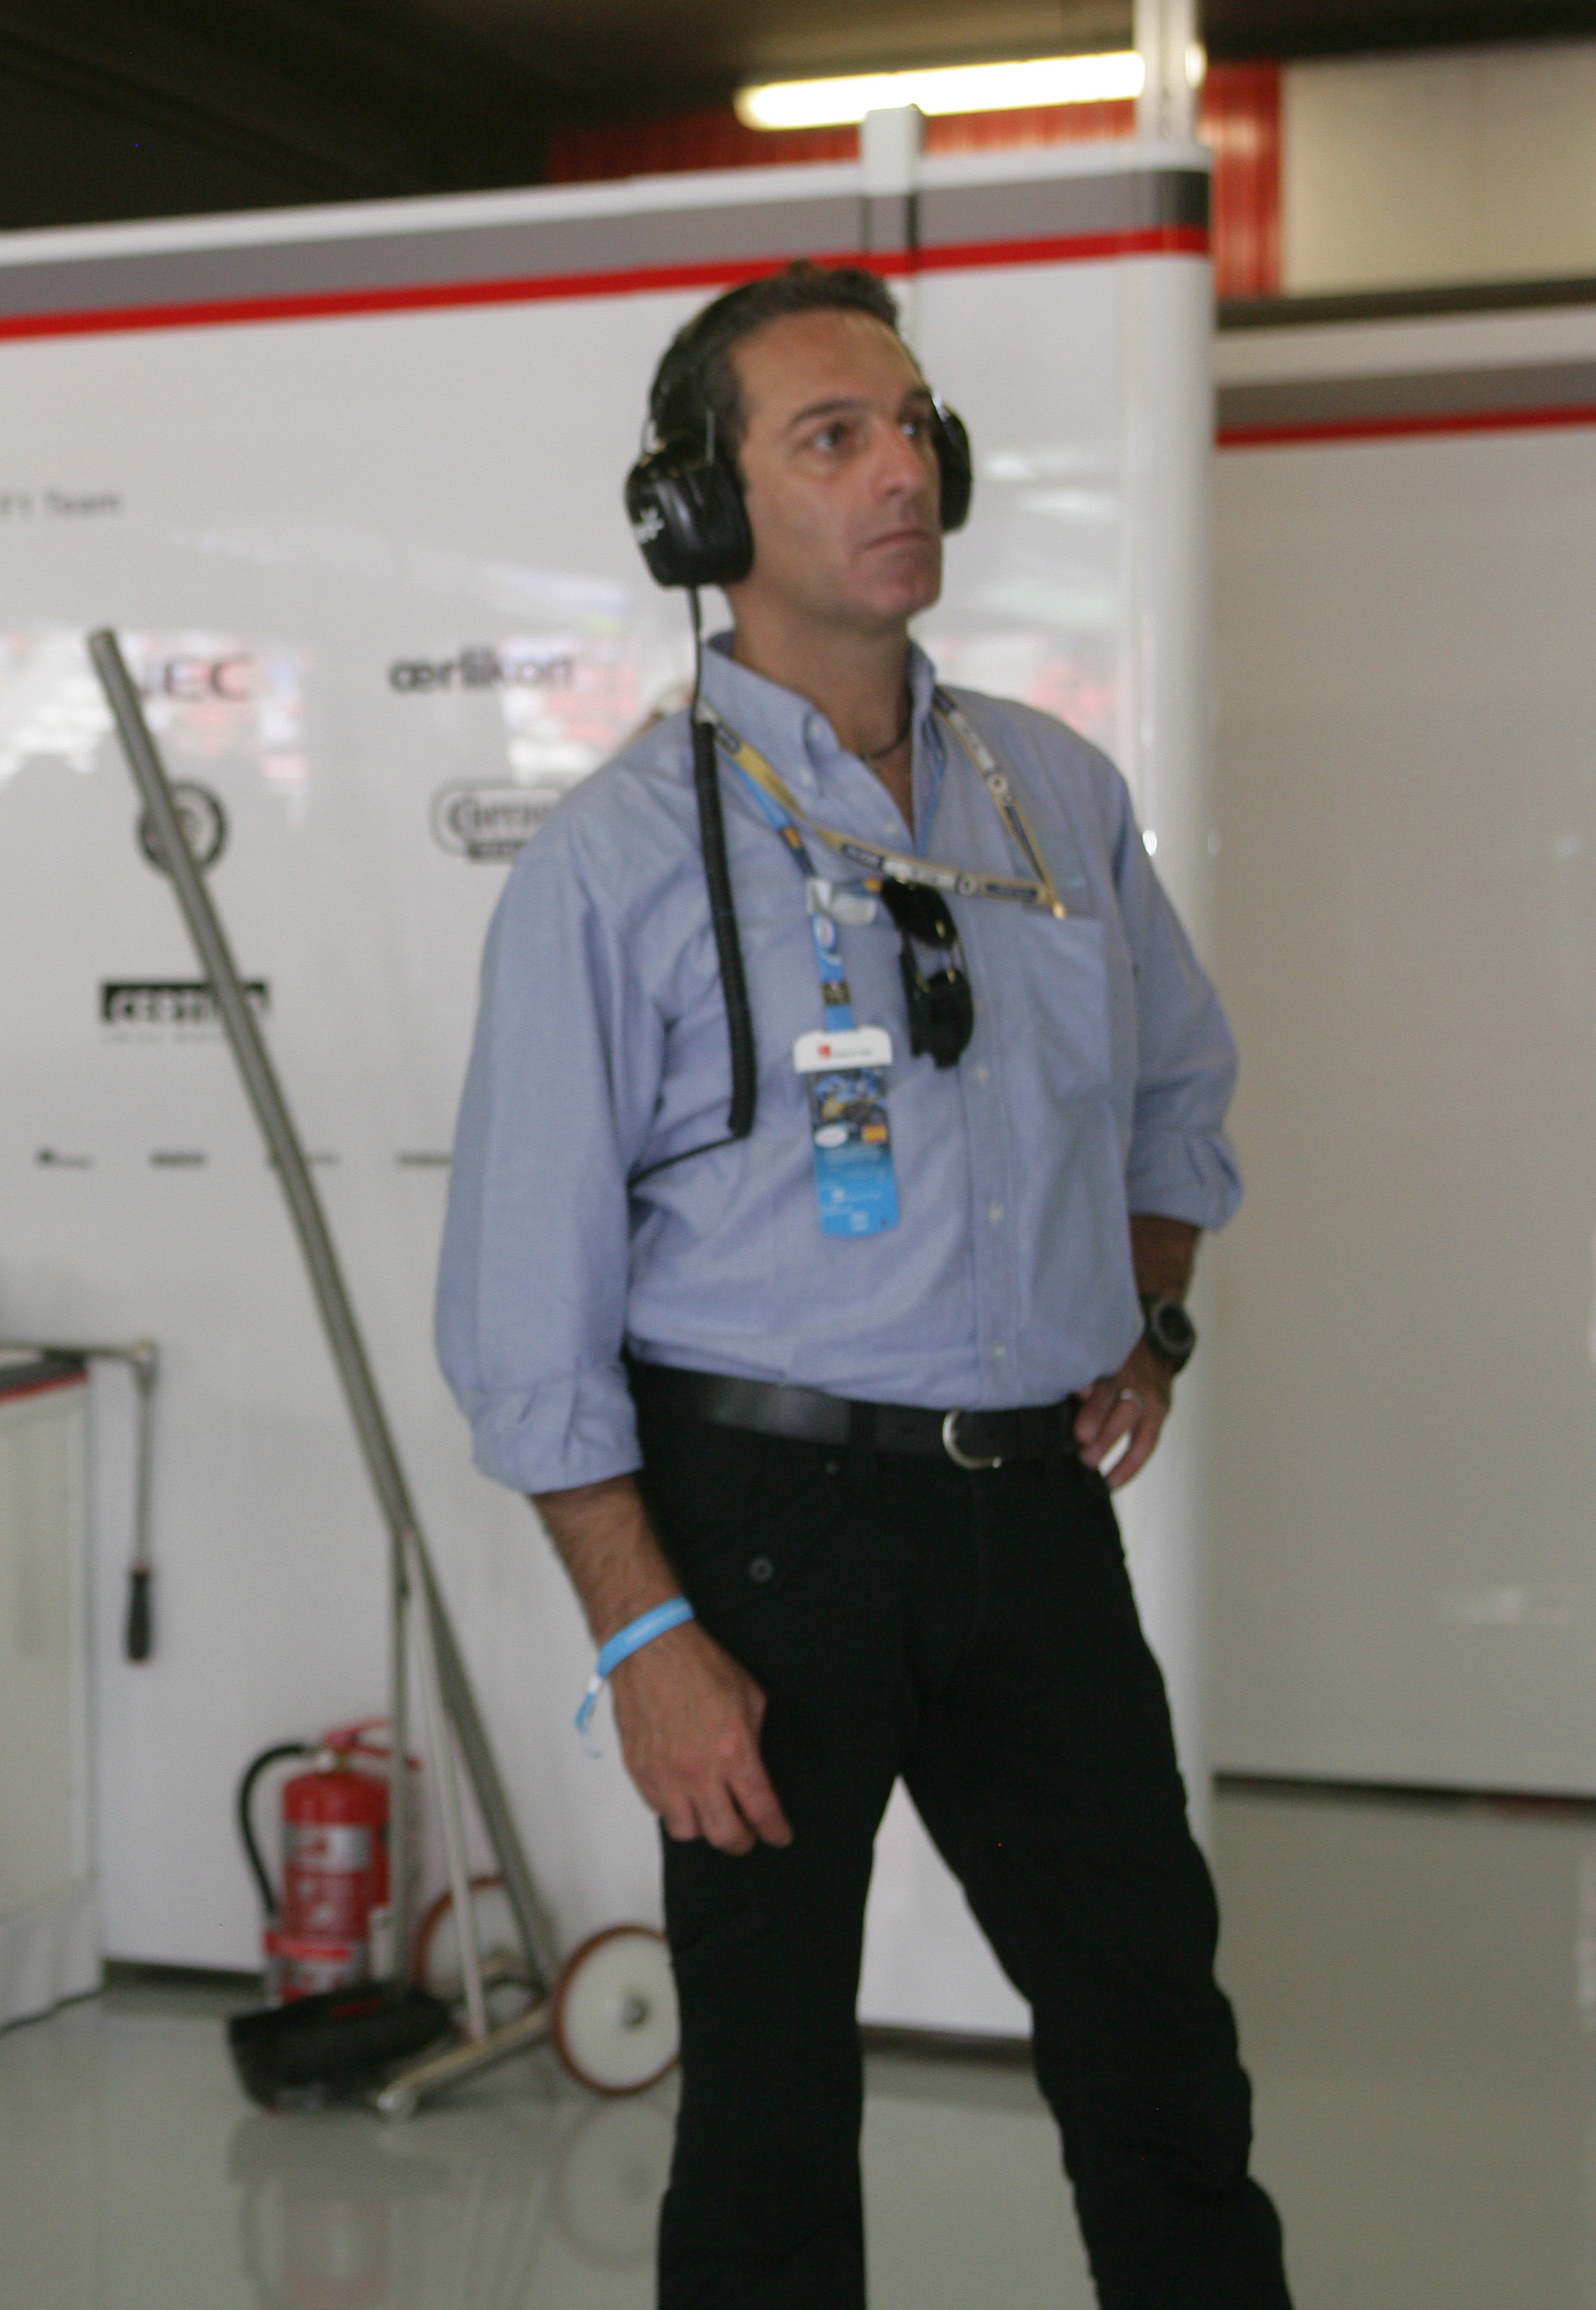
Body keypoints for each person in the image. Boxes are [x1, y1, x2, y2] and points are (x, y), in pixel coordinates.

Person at [435, 262, 1286, 2309]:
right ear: (701, 513)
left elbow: (1177, 1090)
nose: (900, 471)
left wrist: (1147, 1310)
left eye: (915, 428)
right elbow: (526, 1306)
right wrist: (647, 1635)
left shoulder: (1056, 797)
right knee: (768, 2111)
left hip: (1032, 1518)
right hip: (760, 1533)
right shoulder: (614, 861)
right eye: (832, 437)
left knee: (1159, 2049)